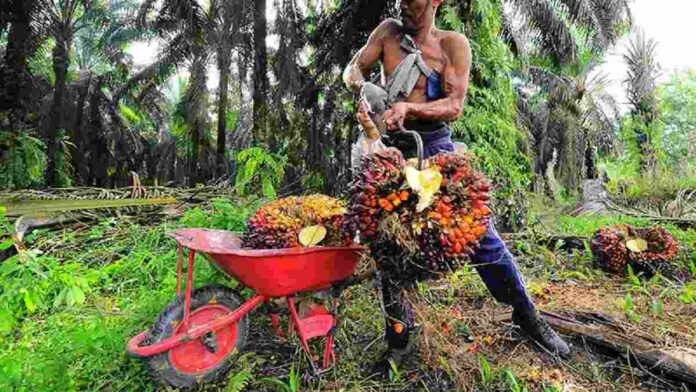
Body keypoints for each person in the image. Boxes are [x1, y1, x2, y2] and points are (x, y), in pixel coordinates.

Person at [342, 0, 571, 374]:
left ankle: (526, 314)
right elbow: (353, 69)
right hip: (391, 152)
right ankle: (399, 343)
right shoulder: (387, 33)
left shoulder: (452, 45)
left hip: (435, 149)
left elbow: (454, 105)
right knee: (391, 243)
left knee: (480, 234)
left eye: (412, 0)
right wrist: (363, 86)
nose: (403, 5)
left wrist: (409, 110)